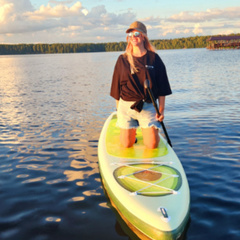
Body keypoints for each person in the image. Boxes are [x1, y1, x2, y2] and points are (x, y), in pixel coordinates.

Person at [110, 21, 172, 149]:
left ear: (144, 36)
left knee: (152, 145)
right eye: (130, 35)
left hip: (148, 106)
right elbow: (116, 87)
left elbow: (162, 87)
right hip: (126, 107)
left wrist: (161, 111)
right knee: (127, 144)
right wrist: (119, 112)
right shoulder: (122, 59)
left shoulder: (154, 58)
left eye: (137, 33)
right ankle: (133, 134)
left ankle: (148, 132)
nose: (133, 37)